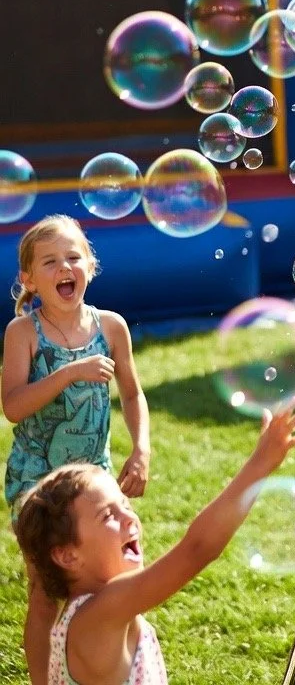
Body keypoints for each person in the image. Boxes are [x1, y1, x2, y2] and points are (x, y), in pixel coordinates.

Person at [15, 399, 295, 685]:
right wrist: (261, 463)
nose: (130, 518)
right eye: (108, 515)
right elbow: (197, 549)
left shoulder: (74, 621)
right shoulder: (100, 615)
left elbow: (41, 646)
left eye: (125, 504)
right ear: (66, 555)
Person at [1, 214, 151, 685]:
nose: (65, 266)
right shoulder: (23, 333)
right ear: (29, 279)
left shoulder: (111, 325)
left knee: (112, 588)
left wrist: (141, 447)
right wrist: (69, 372)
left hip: (95, 483)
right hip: (38, 485)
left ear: (90, 265)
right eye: (50, 261)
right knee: (47, 594)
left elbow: (131, 393)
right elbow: (12, 406)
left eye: (73, 257)